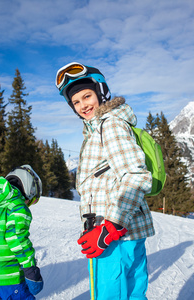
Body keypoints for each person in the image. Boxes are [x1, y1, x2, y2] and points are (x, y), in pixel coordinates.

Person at [55, 62, 155, 299]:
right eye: (76, 102)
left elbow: (136, 176)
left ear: (101, 92)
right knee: (132, 293)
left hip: (112, 235)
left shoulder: (109, 125)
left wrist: (110, 227)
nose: (82, 105)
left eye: (87, 96)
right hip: (122, 232)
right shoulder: (100, 128)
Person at [0, 165, 43, 300]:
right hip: (10, 280)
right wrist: (30, 269)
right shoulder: (18, 207)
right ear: (28, 190)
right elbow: (16, 238)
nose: (28, 204)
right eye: (30, 200)